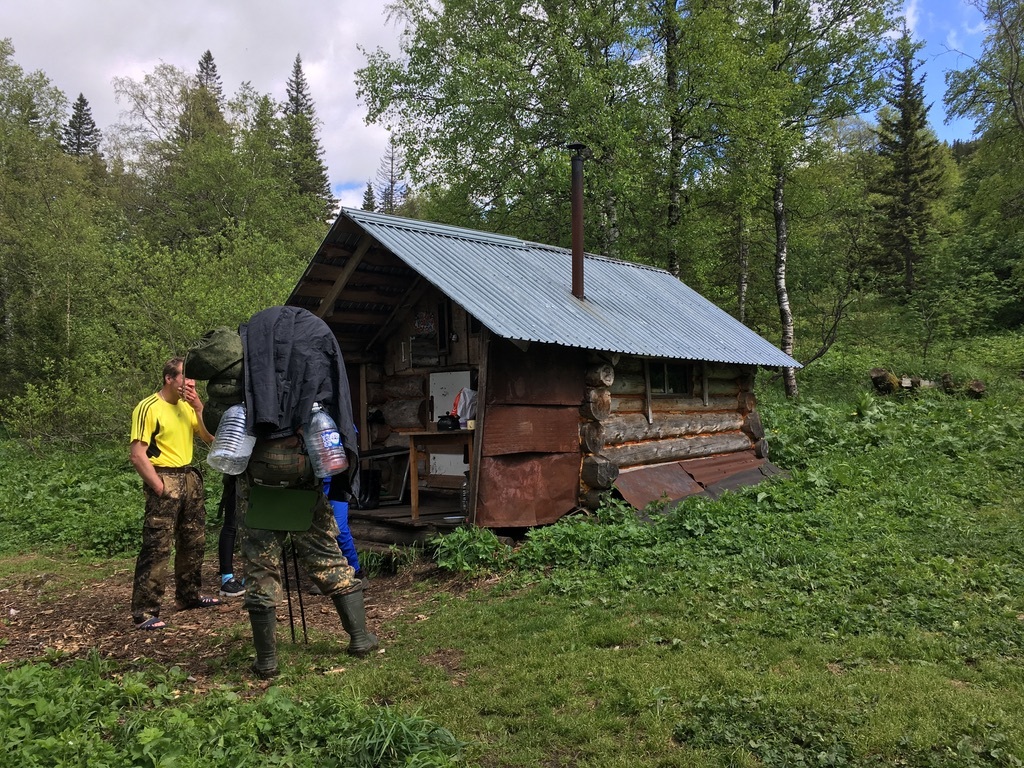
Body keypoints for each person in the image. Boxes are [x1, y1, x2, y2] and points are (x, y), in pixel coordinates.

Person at [237, 305, 377, 679]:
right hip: (304, 469)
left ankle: (267, 660)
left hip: (260, 476)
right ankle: (359, 637)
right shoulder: (317, 344)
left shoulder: (247, 351)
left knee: (260, 564)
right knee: (326, 553)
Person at [129, 357, 221, 630]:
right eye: (185, 377)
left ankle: (188, 596)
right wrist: (158, 486)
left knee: (194, 541)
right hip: (164, 475)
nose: (190, 383)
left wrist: (200, 407)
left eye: (192, 378)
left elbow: (209, 437)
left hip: (189, 477)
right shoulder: (149, 407)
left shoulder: (188, 406)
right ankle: (145, 611)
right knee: (157, 546)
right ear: (169, 378)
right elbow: (137, 454)